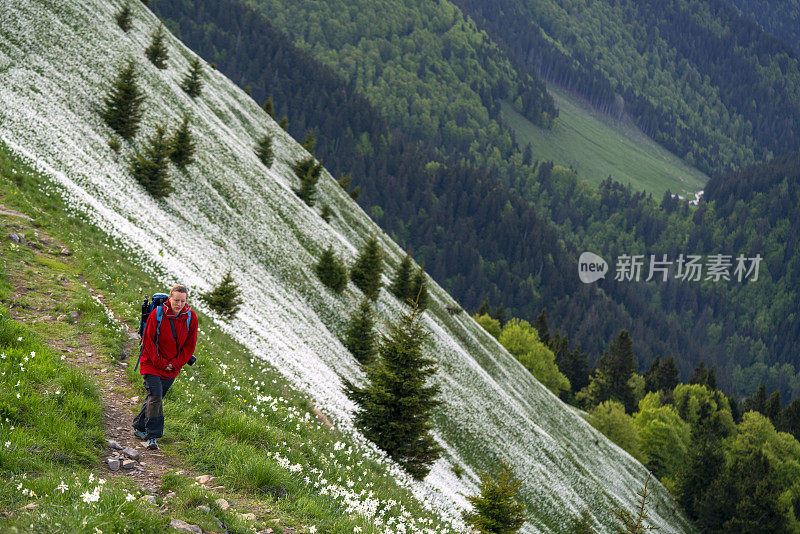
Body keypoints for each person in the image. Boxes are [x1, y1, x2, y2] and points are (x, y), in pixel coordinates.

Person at [132, 284, 198, 450]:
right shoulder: (157, 314)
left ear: (186, 301)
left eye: (182, 301)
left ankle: (139, 426)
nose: (179, 304)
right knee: (155, 396)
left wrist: (174, 364)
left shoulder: (191, 318)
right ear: (170, 298)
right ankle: (152, 436)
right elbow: (148, 341)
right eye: (176, 300)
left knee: (156, 398)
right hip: (151, 364)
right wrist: (161, 363)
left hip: (172, 368)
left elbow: (189, 347)